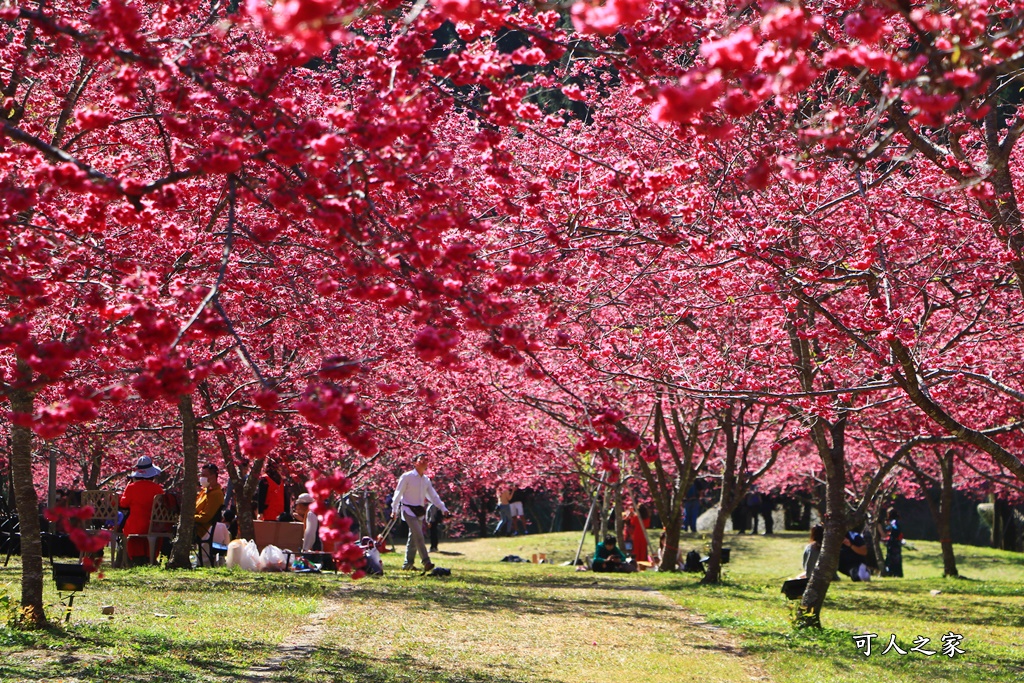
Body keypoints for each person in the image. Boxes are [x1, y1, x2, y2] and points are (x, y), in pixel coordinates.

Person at [391, 453, 449, 571]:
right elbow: (398, 493)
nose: (424, 462)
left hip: (419, 511)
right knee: (419, 535)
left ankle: (408, 564)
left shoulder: (426, 480)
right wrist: (394, 509)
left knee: (413, 538)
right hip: (408, 510)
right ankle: (426, 561)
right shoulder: (407, 476)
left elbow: (433, 495)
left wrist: (443, 508)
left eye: (426, 460)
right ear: (414, 462)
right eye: (421, 460)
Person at [118, 456, 165, 565]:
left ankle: (132, 559)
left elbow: (123, 504)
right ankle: (150, 557)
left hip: (134, 526)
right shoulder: (158, 489)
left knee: (127, 528)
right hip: (153, 526)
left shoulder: (131, 488)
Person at [194, 463, 225, 540]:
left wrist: (189, 517)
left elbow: (205, 517)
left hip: (201, 530)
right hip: (193, 525)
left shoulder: (216, 494)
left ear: (213, 476)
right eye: (201, 475)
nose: (201, 478)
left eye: (204, 475)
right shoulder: (204, 491)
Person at [883, 507, 904, 578]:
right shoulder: (897, 521)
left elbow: (894, 530)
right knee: (896, 558)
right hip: (897, 543)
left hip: (893, 543)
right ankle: (896, 573)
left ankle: (893, 572)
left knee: (892, 558)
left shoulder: (893, 522)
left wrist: (888, 526)